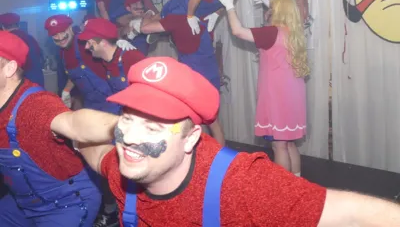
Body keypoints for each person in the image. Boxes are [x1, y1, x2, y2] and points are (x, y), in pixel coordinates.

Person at [77, 56, 400, 226]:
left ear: (191, 139)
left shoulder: (243, 186)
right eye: (127, 119)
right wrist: (67, 133)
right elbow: (90, 145)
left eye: (152, 128)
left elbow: (353, 214)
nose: (130, 138)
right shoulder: (123, 166)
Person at [0, 31, 118, 226]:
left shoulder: (34, 104)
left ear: (9, 68)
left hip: (66, 202)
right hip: (22, 202)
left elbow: (73, 123)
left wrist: (125, 126)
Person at [216, 0, 309, 175]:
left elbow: (238, 31)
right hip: (293, 96)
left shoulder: (272, 32)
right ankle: (297, 184)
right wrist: (272, 4)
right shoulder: (294, 33)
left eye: (272, 10)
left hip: (278, 96)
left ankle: (283, 187)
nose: (269, 13)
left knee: (279, 146)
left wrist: (229, 7)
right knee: (289, 144)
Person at [141, 0, 225, 145]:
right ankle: (218, 158)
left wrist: (148, 14)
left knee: (193, 121)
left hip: (194, 75)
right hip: (211, 72)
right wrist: (217, 13)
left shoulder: (176, 19)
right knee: (213, 122)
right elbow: (222, 4)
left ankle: (198, 156)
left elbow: (145, 28)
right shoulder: (202, 13)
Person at [44, 14, 120, 113]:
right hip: (90, 104)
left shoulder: (84, 42)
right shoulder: (62, 53)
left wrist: (119, 44)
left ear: (70, 28)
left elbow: (106, 39)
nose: (60, 37)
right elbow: (74, 75)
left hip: (111, 100)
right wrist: (66, 90)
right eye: (55, 35)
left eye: (62, 32)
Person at [79, 18, 145, 94]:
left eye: (90, 43)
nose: (86, 47)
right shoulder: (105, 61)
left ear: (103, 42)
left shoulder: (131, 57)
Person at [0, 12, 44, 86]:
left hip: (20, 83)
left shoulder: (5, 40)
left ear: (3, 27)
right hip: (37, 80)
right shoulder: (30, 38)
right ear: (18, 25)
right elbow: (41, 57)